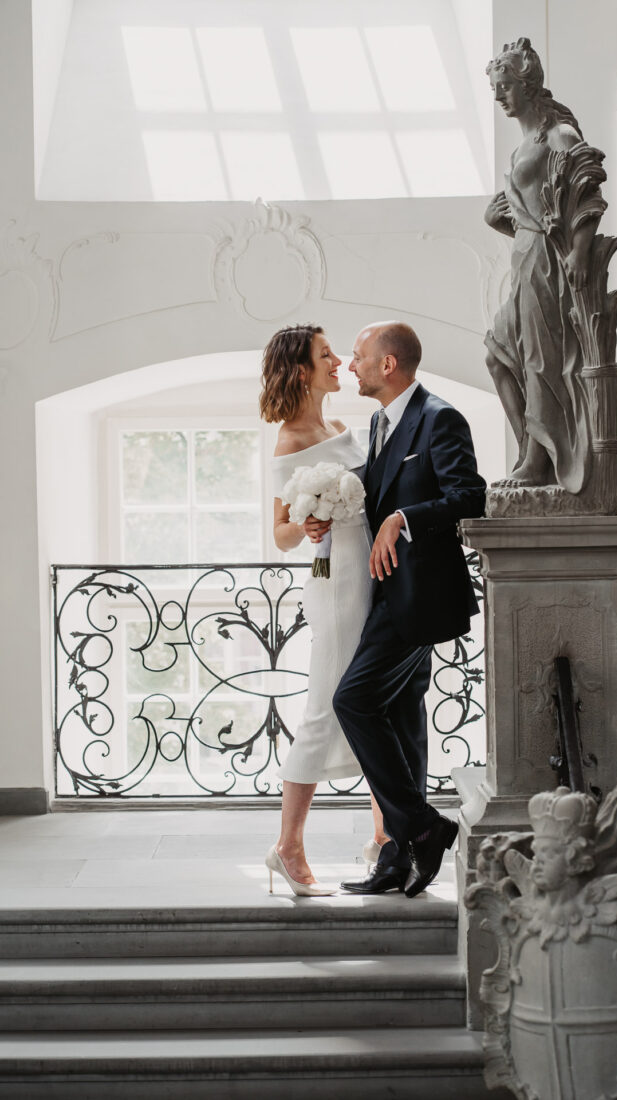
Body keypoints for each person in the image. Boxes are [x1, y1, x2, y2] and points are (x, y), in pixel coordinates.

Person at [334, 322, 487, 897]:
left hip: (419, 596)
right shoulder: (379, 423)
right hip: (383, 592)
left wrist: (403, 519)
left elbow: (470, 496)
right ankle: (399, 860)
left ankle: (424, 826)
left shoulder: (439, 418)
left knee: (352, 700)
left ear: (388, 364)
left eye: (358, 357)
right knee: (401, 720)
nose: (351, 365)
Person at [260, 324, 387, 896]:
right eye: (325, 355)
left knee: (378, 704)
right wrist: (306, 524)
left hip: (373, 572)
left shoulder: (339, 429)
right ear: (301, 370)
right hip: (334, 581)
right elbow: (281, 534)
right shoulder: (289, 441)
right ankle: (287, 847)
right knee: (325, 706)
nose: (338, 362)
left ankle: (384, 837)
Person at [484, 37, 599, 493]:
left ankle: (538, 462)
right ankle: (529, 453)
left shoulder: (560, 134)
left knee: (539, 360)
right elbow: (530, 216)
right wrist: (498, 221)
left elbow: (587, 188)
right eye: (495, 87)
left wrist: (580, 251)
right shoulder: (523, 145)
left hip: (547, 265)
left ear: (528, 84)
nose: (499, 96)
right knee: (498, 355)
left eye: (506, 85)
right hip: (525, 259)